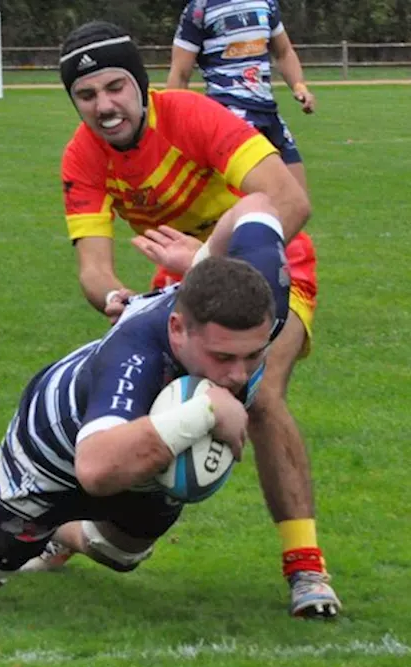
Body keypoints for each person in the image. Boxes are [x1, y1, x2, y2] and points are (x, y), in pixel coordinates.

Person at [0, 194, 337, 617]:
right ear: (178, 328)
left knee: (121, 552)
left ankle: (57, 533)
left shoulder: (261, 294)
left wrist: (204, 263)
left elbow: (258, 202)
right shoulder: (135, 352)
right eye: (223, 357)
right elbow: (94, 468)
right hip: (51, 449)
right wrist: (205, 411)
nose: (238, 374)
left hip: (133, 447)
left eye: (252, 356)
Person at [55, 21, 338, 617]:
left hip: (267, 262)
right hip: (181, 283)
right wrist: (120, 304)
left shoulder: (192, 116)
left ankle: (307, 569)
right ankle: (77, 532)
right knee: (122, 400)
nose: (105, 106)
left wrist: (205, 260)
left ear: (140, 84)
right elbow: (93, 271)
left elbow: (289, 201)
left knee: (259, 396)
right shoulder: (83, 156)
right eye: (87, 96)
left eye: (115, 88)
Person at [168, 0, 316, 194]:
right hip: (229, 115)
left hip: (268, 112)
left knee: (298, 202)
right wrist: (172, 129)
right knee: (254, 203)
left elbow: (284, 52)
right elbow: (180, 72)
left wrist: (299, 86)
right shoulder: (200, 9)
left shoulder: (266, 3)